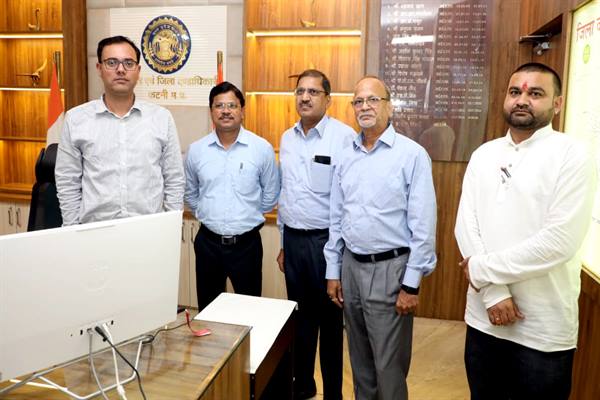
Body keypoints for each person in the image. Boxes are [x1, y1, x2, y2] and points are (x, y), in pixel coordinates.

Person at [454, 62, 596, 400]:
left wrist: (481, 270)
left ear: (557, 104)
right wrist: (494, 293)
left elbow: (558, 242)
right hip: (483, 318)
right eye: (515, 91)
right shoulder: (484, 154)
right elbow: (466, 226)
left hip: (542, 331)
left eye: (536, 93)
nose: (522, 100)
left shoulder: (573, 155)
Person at [325, 76, 437, 400]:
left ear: (389, 106)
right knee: (360, 362)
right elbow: (336, 216)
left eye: (373, 100)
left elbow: (423, 224)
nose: (365, 107)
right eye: (358, 101)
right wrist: (333, 271)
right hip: (351, 266)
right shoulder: (346, 154)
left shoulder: (412, 155)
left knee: (389, 367)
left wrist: (411, 285)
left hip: (391, 270)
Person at [277, 69, 355, 400]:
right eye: (300, 92)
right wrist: (283, 243)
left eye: (313, 92)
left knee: (330, 324)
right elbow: (286, 194)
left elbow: (347, 199)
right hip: (294, 241)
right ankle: (303, 385)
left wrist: (337, 254)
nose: (305, 98)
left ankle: (333, 394)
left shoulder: (344, 137)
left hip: (327, 242)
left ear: (328, 99)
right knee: (301, 319)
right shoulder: (287, 138)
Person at [55, 35, 185, 225]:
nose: (121, 69)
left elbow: (174, 179)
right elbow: (67, 181)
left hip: (149, 230)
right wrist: (73, 229)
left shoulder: (161, 118)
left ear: (138, 70)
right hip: (95, 231)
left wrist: (169, 226)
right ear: (99, 68)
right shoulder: (76, 119)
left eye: (128, 63)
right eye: (112, 62)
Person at [184, 81, 280, 310]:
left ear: (242, 110)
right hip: (208, 244)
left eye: (232, 105)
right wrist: (208, 213)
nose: (225, 111)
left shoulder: (261, 148)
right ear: (211, 111)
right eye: (219, 106)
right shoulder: (196, 150)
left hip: (247, 246)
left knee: (249, 311)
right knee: (208, 310)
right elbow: (190, 193)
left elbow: (270, 195)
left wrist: (247, 213)